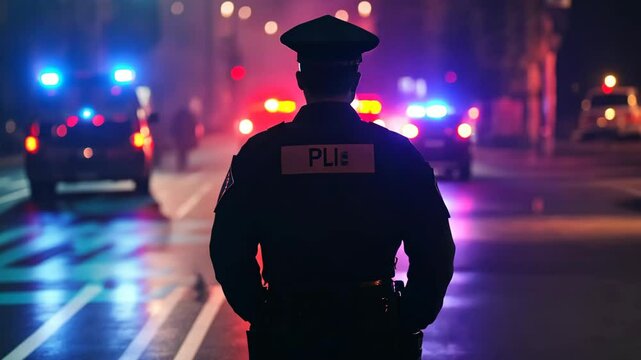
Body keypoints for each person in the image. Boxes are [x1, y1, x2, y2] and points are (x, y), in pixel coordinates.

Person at [210, 15, 455, 360]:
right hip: (374, 330)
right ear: (355, 80)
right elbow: (436, 249)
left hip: (287, 331)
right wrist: (409, 316)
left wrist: (261, 311)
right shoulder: (396, 154)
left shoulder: (260, 154)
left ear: (300, 80)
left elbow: (227, 247)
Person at [171, 106, 198, 171]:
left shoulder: (177, 118)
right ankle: (182, 165)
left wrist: (173, 136)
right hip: (185, 139)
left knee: (180, 153)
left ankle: (180, 166)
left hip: (179, 139)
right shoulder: (189, 118)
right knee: (183, 153)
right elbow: (193, 127)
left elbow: (173, 128)